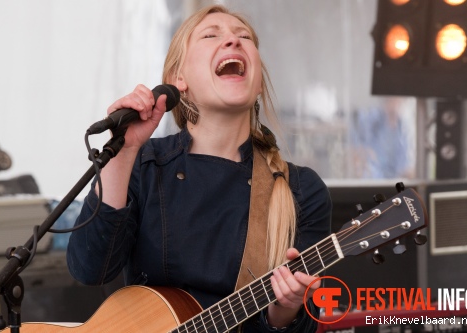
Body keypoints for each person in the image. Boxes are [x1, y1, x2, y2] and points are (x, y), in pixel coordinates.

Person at [66, 4, 331, 333]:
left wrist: (286, 309)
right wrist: (124, 151)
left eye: (244, 37)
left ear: (259, 81)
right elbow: (90, 268)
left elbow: (303, 321)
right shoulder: (144, 165)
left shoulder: (301, 189)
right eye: (211, 35)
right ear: (179, 79)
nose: (233, 41)